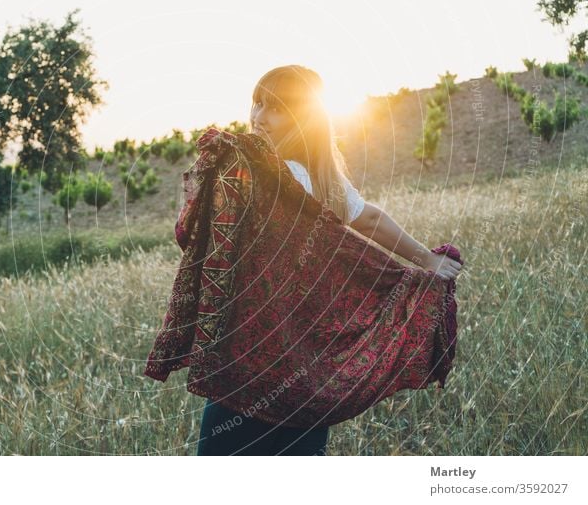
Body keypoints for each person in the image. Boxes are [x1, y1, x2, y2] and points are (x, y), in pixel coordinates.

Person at [196, 65, 463, 456]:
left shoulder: (271, 174)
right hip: (308, 369)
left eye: (275, 108)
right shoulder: (320, 178)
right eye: (257, 103)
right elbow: (369, 218)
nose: (258, 117)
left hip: (252, 364)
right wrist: (426, 260)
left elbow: (207, 240)